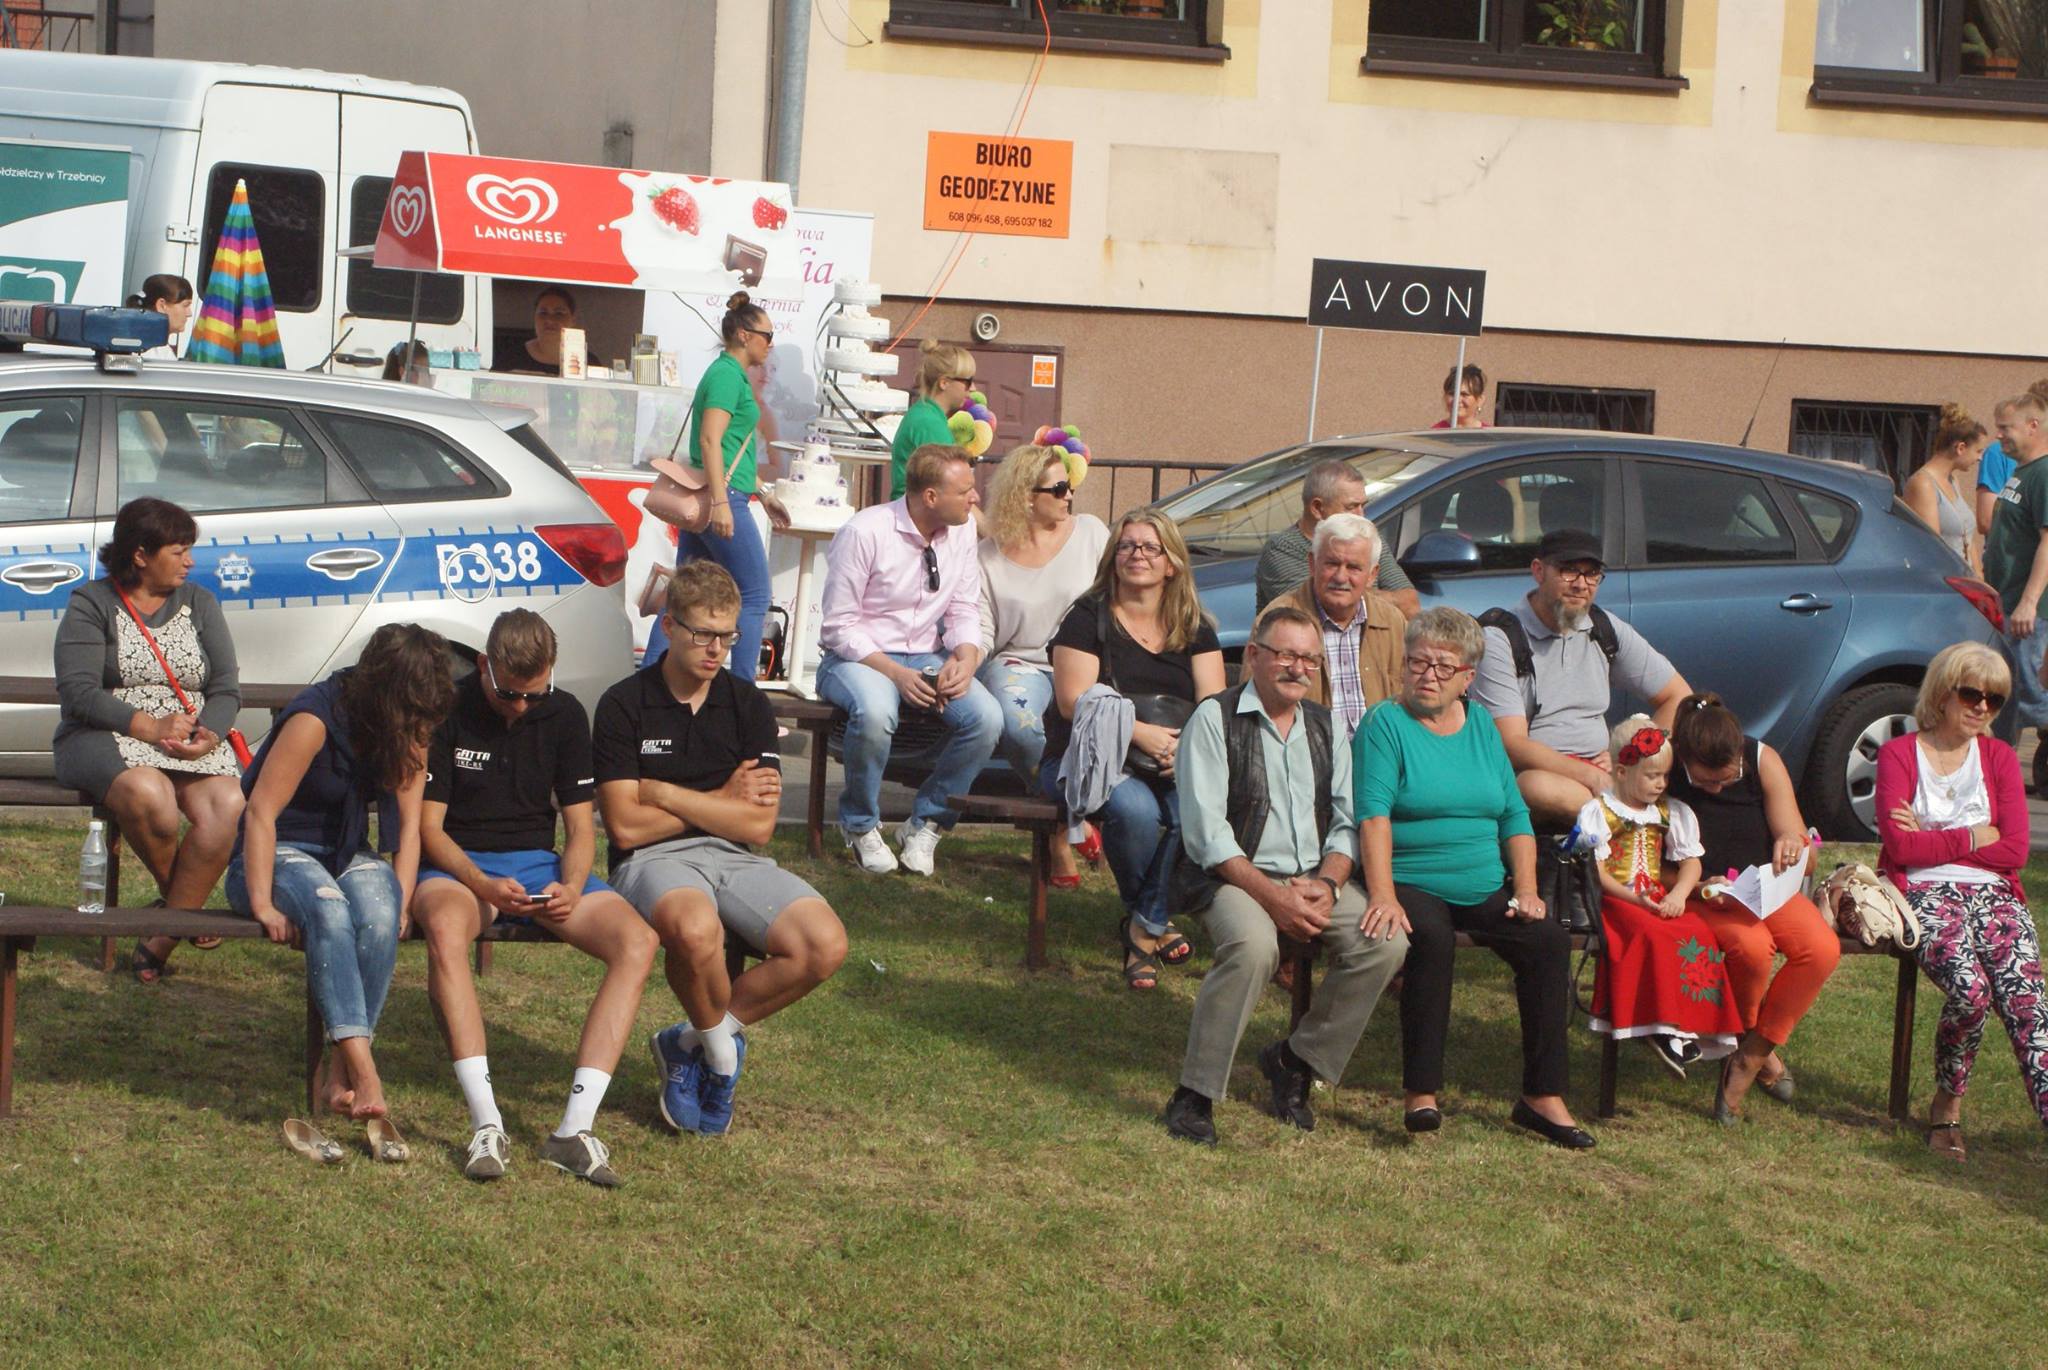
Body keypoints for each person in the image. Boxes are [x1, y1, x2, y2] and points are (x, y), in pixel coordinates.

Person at [594, 562, 848, 1136]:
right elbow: (626, 828)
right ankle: (722, 1059)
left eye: (728, 636)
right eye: (703, 634)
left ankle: (687, 1042)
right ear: (668, 626)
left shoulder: (747, 704)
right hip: (651, 861)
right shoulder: (624, 704)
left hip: (735, 856)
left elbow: (757, 826)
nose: (717, 650)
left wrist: (665, 794)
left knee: (825, 944)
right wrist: (718, 799)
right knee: (695, 928)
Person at [410, 609, 658, 1186]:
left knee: (638, 941)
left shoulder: (565, 713)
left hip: (536, 866)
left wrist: (569, 885)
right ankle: (486, 1122)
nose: (522, 706)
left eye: (535, 693)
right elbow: (429, 830)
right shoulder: (446, 711)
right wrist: (482, 885)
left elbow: (580, 831)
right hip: (457, 864)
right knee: (445, 927)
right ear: (483, 665)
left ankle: (573, 1130)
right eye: (509, 694)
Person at [1162, 605, 1406, 1145]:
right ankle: (1194, 1094)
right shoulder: (1214, 719)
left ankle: (1294, 1061)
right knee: (1253, 948)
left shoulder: (1325, 725)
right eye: (1286, 655)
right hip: (1233, 877)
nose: (1299, 668)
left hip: (1314, 880)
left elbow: (1347, 820)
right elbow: (1207, 837)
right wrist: (1275, 900)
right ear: (1253, 656)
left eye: (1310, 659)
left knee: (1384, 943)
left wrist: (1330, 884)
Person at [1355, 607, 1592, 1149]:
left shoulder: (1482, 725)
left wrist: (1526, 889)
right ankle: (1421, 1093)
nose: (1428, 675)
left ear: (1467, 677)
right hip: (1411, 876)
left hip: (1483, 881)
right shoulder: (1385, 724)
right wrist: (1383, 893)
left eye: (1444, 667)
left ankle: (1542, 1096)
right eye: (1418, 663)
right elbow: (1373, 815)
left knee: (1547, 941)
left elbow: (1514, 816)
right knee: (1432, 939)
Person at [227, 623, 453, 1143]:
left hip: (346, 853)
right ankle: (365, 1070)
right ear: (386, 696)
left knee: (378, 912)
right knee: (329, 910)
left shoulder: (408, 727)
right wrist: (261, 902)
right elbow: (260, 812)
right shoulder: (314, 719)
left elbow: (409, 830)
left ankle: (338, 1070)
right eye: (412, 711)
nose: (420, 725)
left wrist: (400, 902)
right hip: (275, 854)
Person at [53, 497, 244, 984]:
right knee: (149, 793)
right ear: (140, 555)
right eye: (178, 551)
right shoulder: (91, 603)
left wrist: (209, 733)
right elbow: (78, 692)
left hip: (190, 737)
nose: (190, 561)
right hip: (104, 733)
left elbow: (226, 687)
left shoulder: (200, 602)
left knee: (229, 803)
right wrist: (149, 726)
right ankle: (184, 910)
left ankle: (161, 936)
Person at [1875, 642, 2048, 1157]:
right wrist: (1974, 834)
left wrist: (1933, 836)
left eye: (1995, 699)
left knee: (2028, 1006)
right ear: (1943, 693)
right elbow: (1901, 849)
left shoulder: (1997, 756)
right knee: (1971, 993)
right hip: (1924, 890)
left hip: (1994, 893)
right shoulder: (1899, 754)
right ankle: (1947, 1102)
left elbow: (2015, 850)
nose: (1982, 707)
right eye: (1972, 694)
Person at [1042, 510, 1225, 989]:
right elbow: (1072, 701)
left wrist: (1186, 750)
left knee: (1192, 817)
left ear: (1172, 563)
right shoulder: (1087, 618)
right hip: (1091, 759)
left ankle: (1142, 925)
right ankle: (1152, 924)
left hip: (1172, 758)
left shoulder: (1194, 626)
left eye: (1150, 547)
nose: (1136, 555)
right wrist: (1138, 733)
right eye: (1127, 546)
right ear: (1113, 557)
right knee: (1138, 813)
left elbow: (1213, 705)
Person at [816, 443, 1002, 877]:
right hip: (858, 658)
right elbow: (838, 626)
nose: (975, 498)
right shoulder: (865, 532)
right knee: (876, 711)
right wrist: (896, 673)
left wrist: (966, 657)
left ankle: (926, 823)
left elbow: (963, 607)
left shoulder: (962, 532)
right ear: (931, 497)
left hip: (925, 654)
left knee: (987, 719)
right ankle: (859, 823)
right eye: (965, 491)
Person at [1668, 693, 1841, 1121]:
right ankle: (1747, 1041)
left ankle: (1753, 1052)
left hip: (1762, 888)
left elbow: (1806, 855)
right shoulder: (1665, 769)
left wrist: (1791, 844)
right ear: (1685, 760)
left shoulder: (1762, 759)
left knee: (1821, 949)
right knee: (1751, 948)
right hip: (1701, 892)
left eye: (1727, 780)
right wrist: (1697, 886)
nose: (1717, 789)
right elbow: (1646, 862)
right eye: (1706, 783)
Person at [1471, 528, 1692, 827]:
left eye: (1592, 575)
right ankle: (1631, 822)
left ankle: (1623, 820)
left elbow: (1679, 697)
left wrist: (1631, 754)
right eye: (1568, 571)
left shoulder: (1603, 627)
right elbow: (1512, 744)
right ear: (1538, 571)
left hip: (1607, 772)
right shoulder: (1501, 637)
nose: (1580, 584)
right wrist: (1592, 777)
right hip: (1542, 775)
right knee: (1534, 786)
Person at [1573, 715, 1741, 1078]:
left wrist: (1679, 894)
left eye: (1664, 776)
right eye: (1652, 776)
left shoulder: (1669, 811)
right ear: (1621, 773)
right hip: (1616, 900)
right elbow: (1595, 871)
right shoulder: (1599, 811)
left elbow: (1691, 863)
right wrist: (1634, 900)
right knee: (1653, 934)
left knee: (1697, 933)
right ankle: (1662, 1026)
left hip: (1656, 897)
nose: (1661, 783)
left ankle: (1691, 1025)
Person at [977, 442, 1109, 886]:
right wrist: (966, 660)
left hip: (1085, 658)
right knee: (1019, 728)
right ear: (1026, 496)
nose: (1068, 495)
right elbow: (982, 627)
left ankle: (1062, 827)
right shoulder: (989, 555)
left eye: (1069, 486)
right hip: (1019, 662)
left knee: (1098, 725)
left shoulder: (1091, 534)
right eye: (1057, 488)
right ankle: (1068, 825)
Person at [643, 292, 791, 674]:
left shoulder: (728, 374)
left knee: (683, 596)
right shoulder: (727, 376)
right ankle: (742, 692)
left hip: (721, 494)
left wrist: (763, 493)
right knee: (754, 595)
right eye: (767, 336)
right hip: (722, 499)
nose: (770, 344)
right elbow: (710, 440)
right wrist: (724, 503)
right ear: (743, 335)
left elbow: (728, 448)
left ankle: (650, 681)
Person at [1268, 512, 1407, 742]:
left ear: (1372, 575)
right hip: (1306, 755)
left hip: (1377, 756)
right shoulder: (1277, 622)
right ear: (1312, 564)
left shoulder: (1393, 623)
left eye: (1353, 567)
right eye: (1332, 564)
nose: (1341, 577)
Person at [1978, 391, 2048, 771]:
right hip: (2008, 602)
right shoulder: (2021, 472)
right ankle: (2000, 773)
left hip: (2029, 612)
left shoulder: (2044, 473)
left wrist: (2029, 601)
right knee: (2012, 697)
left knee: (2026, 696)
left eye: (2006, 428)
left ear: (2033, 426)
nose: (1999, 435)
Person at [1253, 458, 1418, 616]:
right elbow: (1319, 611)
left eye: (1363, 505)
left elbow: (1410, 605)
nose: (1361, 515)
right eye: (1351, 507)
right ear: (1317, 508)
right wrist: (1378, 598)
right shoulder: (1282, 549)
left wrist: (1351, 594)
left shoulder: (1368, 540)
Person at [1904, 403, 1986, 572]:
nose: (1980, 458)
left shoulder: (1952, 480)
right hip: (1946, 579)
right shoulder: (1923, 484)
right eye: (1978, 451)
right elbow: (1933, 549)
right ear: (1960, 448)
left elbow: (1968, 539)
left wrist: (1979, 577)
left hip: (1966, 579)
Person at [890, 339, 975, 499]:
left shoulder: (925, 414)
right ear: (944, 382)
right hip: (917, 513)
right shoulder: (929, 423)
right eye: (968, 382)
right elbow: (952, 492)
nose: (973, 388)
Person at [495, 285, 580, 375]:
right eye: (543, 313)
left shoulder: (585, 362)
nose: (550, 320)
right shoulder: (510, 359)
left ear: (573, 320)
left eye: (559, 313)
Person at [126, 274, 193, 360]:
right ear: (162, 306)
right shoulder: (147, 350)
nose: (189, 313)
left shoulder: (157, 347)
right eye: (185, 305)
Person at [1431, 363, 1488, 429]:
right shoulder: (1435, 432)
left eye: (1464, 394)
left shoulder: (1490, 434)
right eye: (1452, 394)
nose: (1457, 400)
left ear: (1480, 400)